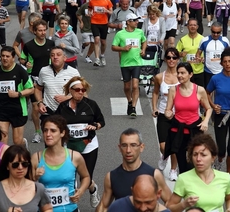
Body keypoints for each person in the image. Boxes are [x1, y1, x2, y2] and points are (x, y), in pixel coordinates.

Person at [55, 76, 105, 208]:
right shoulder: (62, 107)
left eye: (83, 90)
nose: (81, 92)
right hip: (69, 145)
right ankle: (73, 207)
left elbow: (101, 121)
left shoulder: (91, 104)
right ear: (70, 91)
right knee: (70, 178)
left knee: (86, 179)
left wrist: (95, 126)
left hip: (88, 144)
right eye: (77, 90)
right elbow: (55, 123)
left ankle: (93, 189)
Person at [95, 128, 171, 212]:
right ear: (119, 148)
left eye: (133, 145)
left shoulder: (154, 175)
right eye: (124, 145)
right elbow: (103, 206)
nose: (128, 150)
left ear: (141, 147)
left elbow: (170, 202)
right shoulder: (111, 177)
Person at [31, 115, 91, 211]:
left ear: (62, 133)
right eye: (45, 130)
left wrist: (80, 191)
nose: (48, 134)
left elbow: (86, 177)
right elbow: (25, 185)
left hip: (69, 209)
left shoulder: (74, 157)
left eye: (53, 131)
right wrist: (34, 177)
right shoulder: (36, 158)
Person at [167, 133, 230, 212]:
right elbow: (169, 207)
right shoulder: (183, 179)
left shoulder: (225, 178)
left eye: (203, 155)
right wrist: (184, 204)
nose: (198, 159)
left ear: (213, 158)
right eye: (195, 154)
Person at [164, 62, 212, 173]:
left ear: (190, 74)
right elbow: (168, 109)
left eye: (183, 73)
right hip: (178, 130)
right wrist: (168, 113)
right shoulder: (173, 90)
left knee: (194, 163)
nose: (180, 75)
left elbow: (208, 108)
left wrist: (205, 121)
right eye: (178, 73)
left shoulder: (199, 90)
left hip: (194, 130)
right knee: (182, 165)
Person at [0, 46, 34, 146]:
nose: (4, 58)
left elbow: (31, 89)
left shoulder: (20, 71)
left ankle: (23, 145)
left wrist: (18, 94)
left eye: (7, 56)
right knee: (2, 139)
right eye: (2, 56)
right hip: (2, 109)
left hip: (18, 109)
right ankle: (5, 161)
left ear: (13, 58)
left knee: (17, 142)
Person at [0, 145, 53, 212]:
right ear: (7, 166)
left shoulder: (38, 188)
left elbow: (47, 209)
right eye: (15, 164)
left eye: (24, 164)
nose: (20, 167)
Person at [20, 19, 55, 142]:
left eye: (44, 30)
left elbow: (55, 58)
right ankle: (37, 132)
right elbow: (22, 59)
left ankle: (50, 130)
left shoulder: (51, 44)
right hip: (34, 78)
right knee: (36, 108)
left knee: (50, 106)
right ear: (35, 31)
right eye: (40, 30)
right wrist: (26, 63)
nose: (43, 32)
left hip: (49, 79)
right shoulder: (29, 45)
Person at [111, 13, 147, 118]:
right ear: (128, 22)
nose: (137, 22)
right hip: (125, 63)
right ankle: (130, 101)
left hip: (137, 62)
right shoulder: (120, 34)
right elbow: (113, 47)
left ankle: (134, 108)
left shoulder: (139, 32)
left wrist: (143, 50)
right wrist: (123, 48)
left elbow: (144, 41)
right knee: (127, 87)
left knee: (135, 85)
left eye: (137, 20)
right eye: (134, 20)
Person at [152, 48, 180, 181]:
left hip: (178, 114)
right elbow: (155, 93)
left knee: (174, 145)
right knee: (163, 145)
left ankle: (173, 169)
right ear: (165, 60)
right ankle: (164, 156)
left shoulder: (182, 77)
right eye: (168, 57)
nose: (171, 60)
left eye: (174, 58)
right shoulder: (159, 77)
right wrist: (154, 107)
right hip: (163, 113)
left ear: (178, 60)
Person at [35, 46, 80, 122]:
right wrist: (40, 103)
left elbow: (82, 93)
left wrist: (67, 98)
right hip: (48, 113)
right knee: (49, 134)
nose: (55, 57)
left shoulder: (73, 72)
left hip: (67, 113)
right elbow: (38, 88)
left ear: (65, 58)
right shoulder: (44, 71)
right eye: (52, 55)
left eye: (58, 55)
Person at [196, 22, 230, 88]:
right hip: (208, 71)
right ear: (210, 30)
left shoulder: (225, 41)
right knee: (208, 93)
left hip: (221, 71)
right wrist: (199, 58)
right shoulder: (204, 40)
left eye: (218, 32)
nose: (215, 34)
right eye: (213, 32)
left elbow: (229, 55)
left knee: (220, 92)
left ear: (221, 31)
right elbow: (198, 53)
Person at [88, 0, 114, 67]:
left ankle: (102, 55)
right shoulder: (92, 1)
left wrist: (106, 10)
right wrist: (90, 13)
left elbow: (111, 12)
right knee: (96, 39)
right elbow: (89, 10)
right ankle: (97, 59)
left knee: (103, 42)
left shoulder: (107, 1)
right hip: (94, 22)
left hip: (104, 23)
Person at [176, 19, 204, 87]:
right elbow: (175, 53)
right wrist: (180, 54)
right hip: (187, 71)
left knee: (199, 92)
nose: (193, 27)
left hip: (199, 71)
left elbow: (208, 53)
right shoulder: (182, 40)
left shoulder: (203, 39)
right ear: (187, 26)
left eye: (194, 25)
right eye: (191, 25)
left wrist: (204, 59)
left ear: (197, 27)